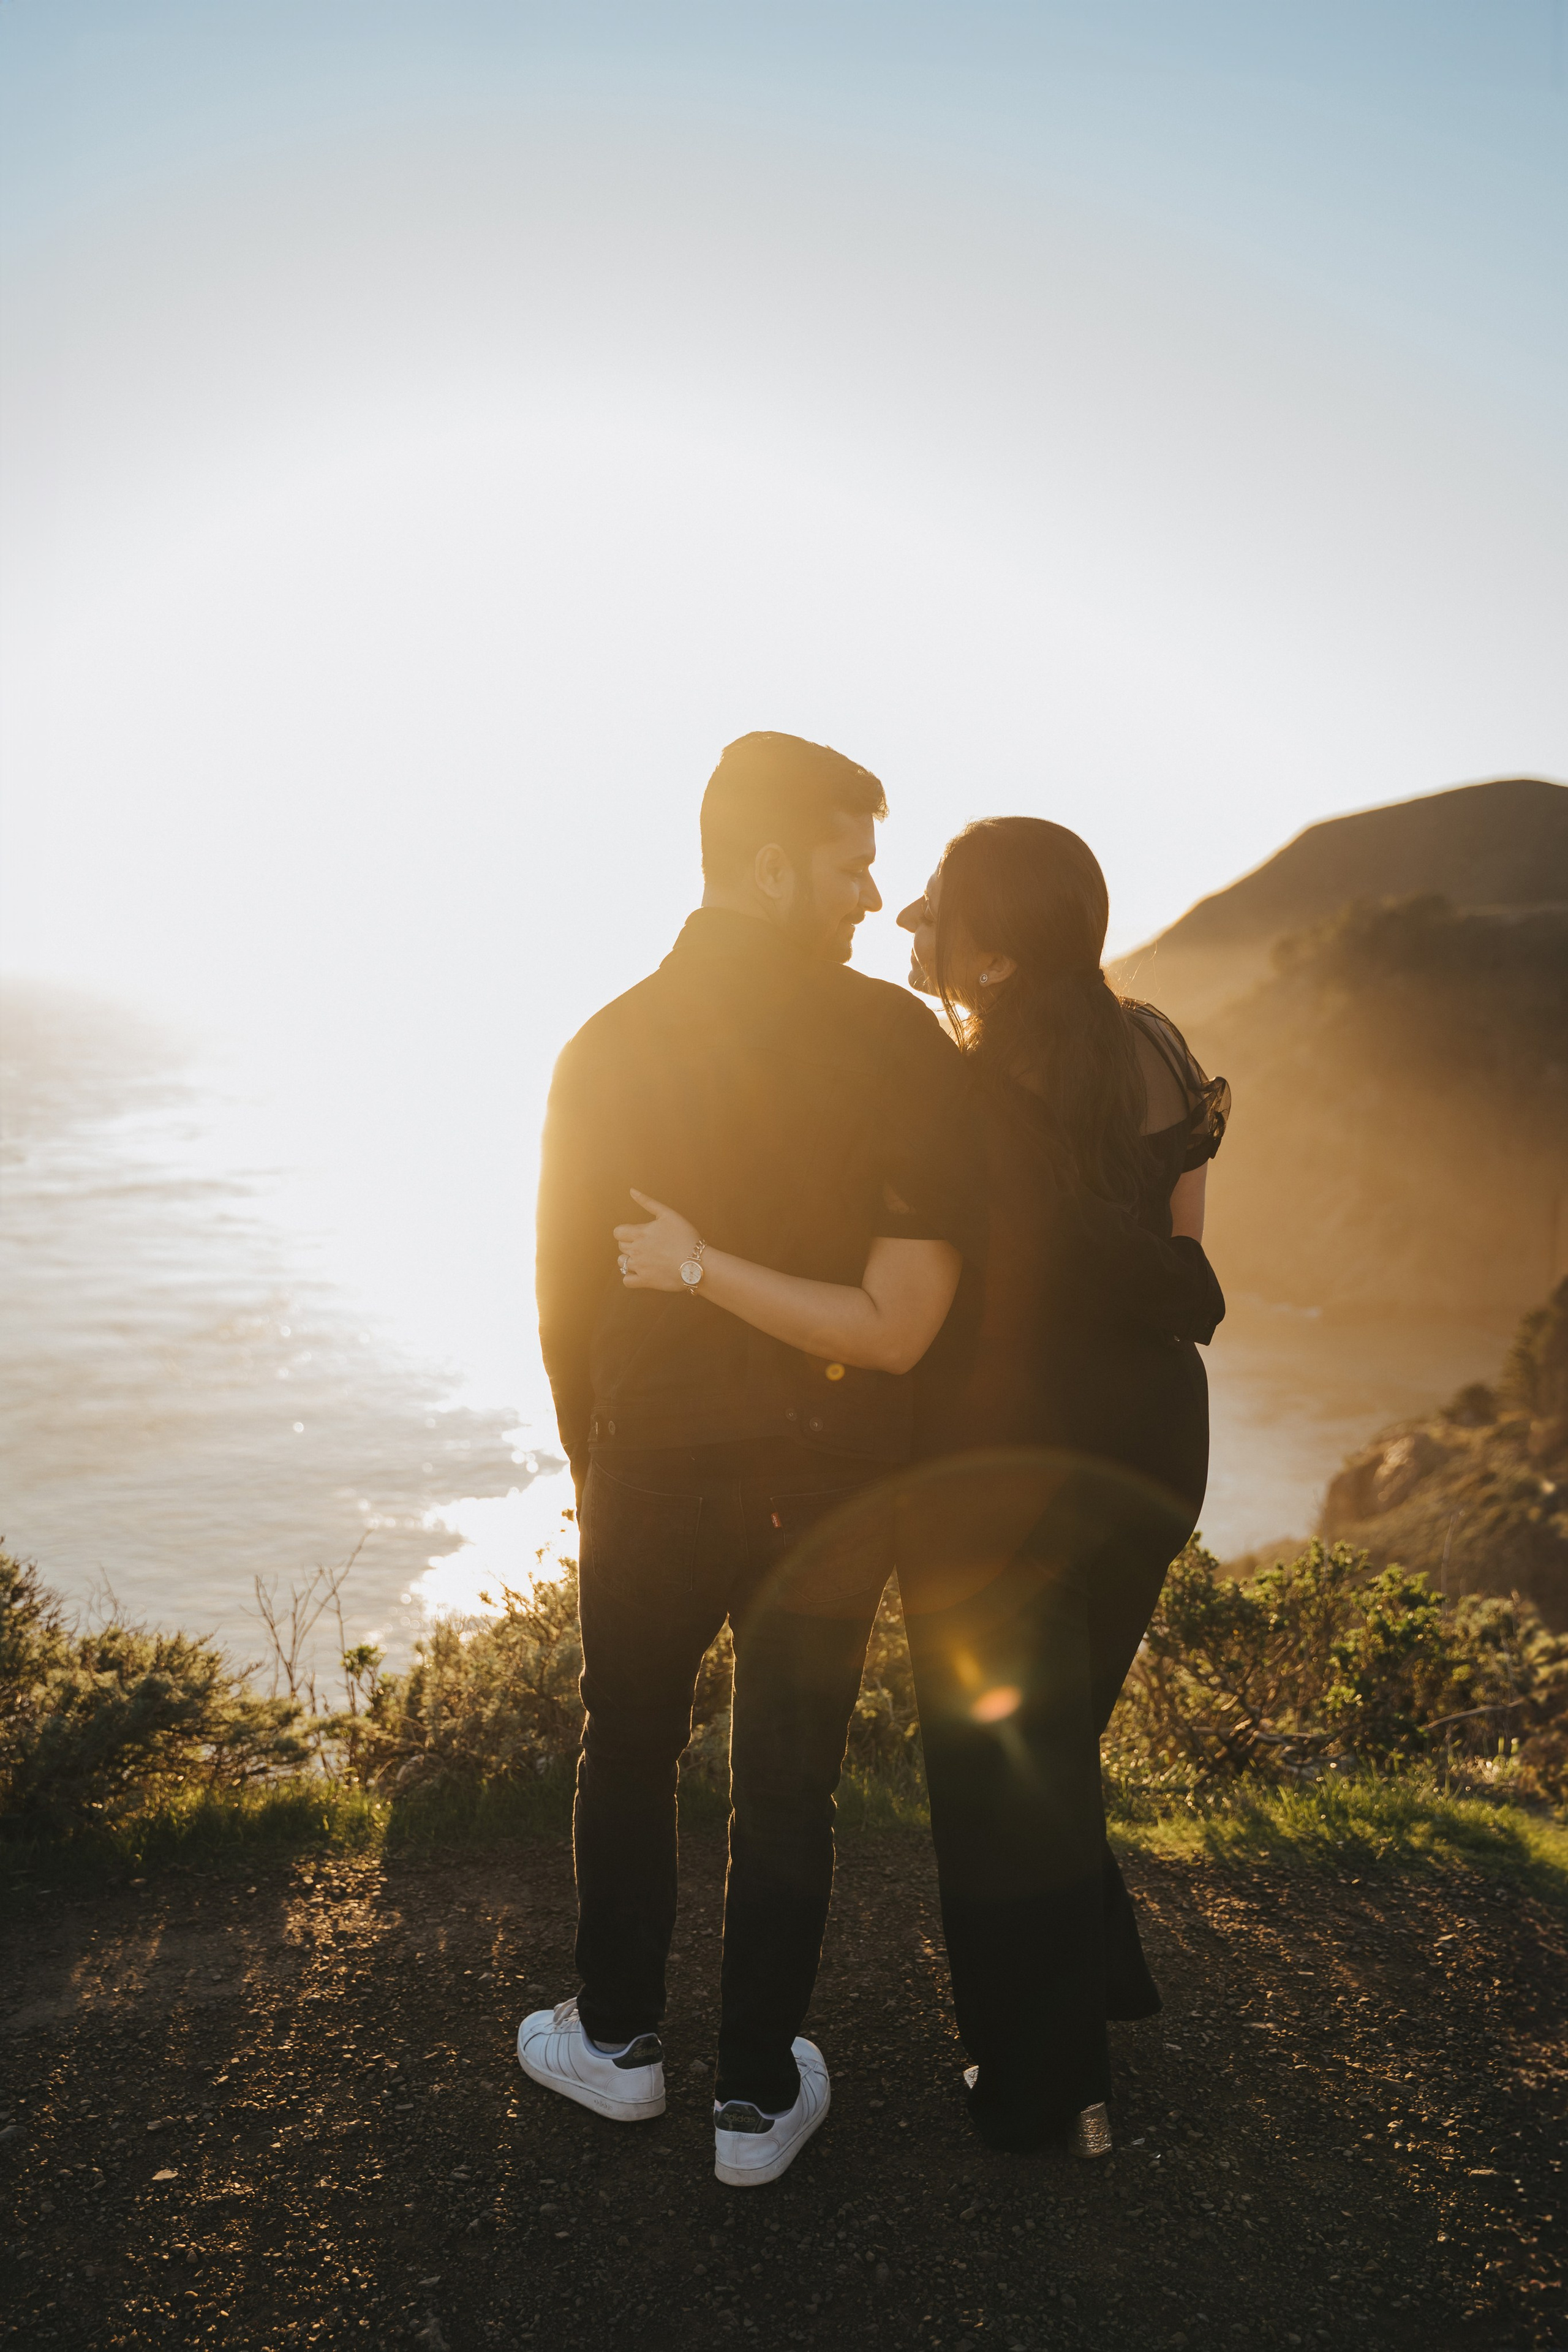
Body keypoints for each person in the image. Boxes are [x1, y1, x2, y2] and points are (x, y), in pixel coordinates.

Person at [618, 814, 1226, 2158]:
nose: (903, 921)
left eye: (934, 904)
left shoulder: (952, 1090)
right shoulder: (1157, 1051)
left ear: (995, 951)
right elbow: (1181, 1270)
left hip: (994, 1463)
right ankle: (1093, 1989)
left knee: (994, 1774)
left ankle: (1044, 2094)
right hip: (1146, 1448)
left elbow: (915, 1299)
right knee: (1050, 1749)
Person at [526, 730, 974, 2190]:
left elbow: (562, 1302)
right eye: (849, 863)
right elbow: (920, 1297)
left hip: (647, 1456)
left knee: (631, 1740)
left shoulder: (604, 1041)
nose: (869, 894)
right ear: (773, 862)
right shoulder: (897, 1045)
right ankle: (754, 2098)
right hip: (839, 1470)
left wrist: (597, 1463)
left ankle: (614, 2046)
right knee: (785, 1780)